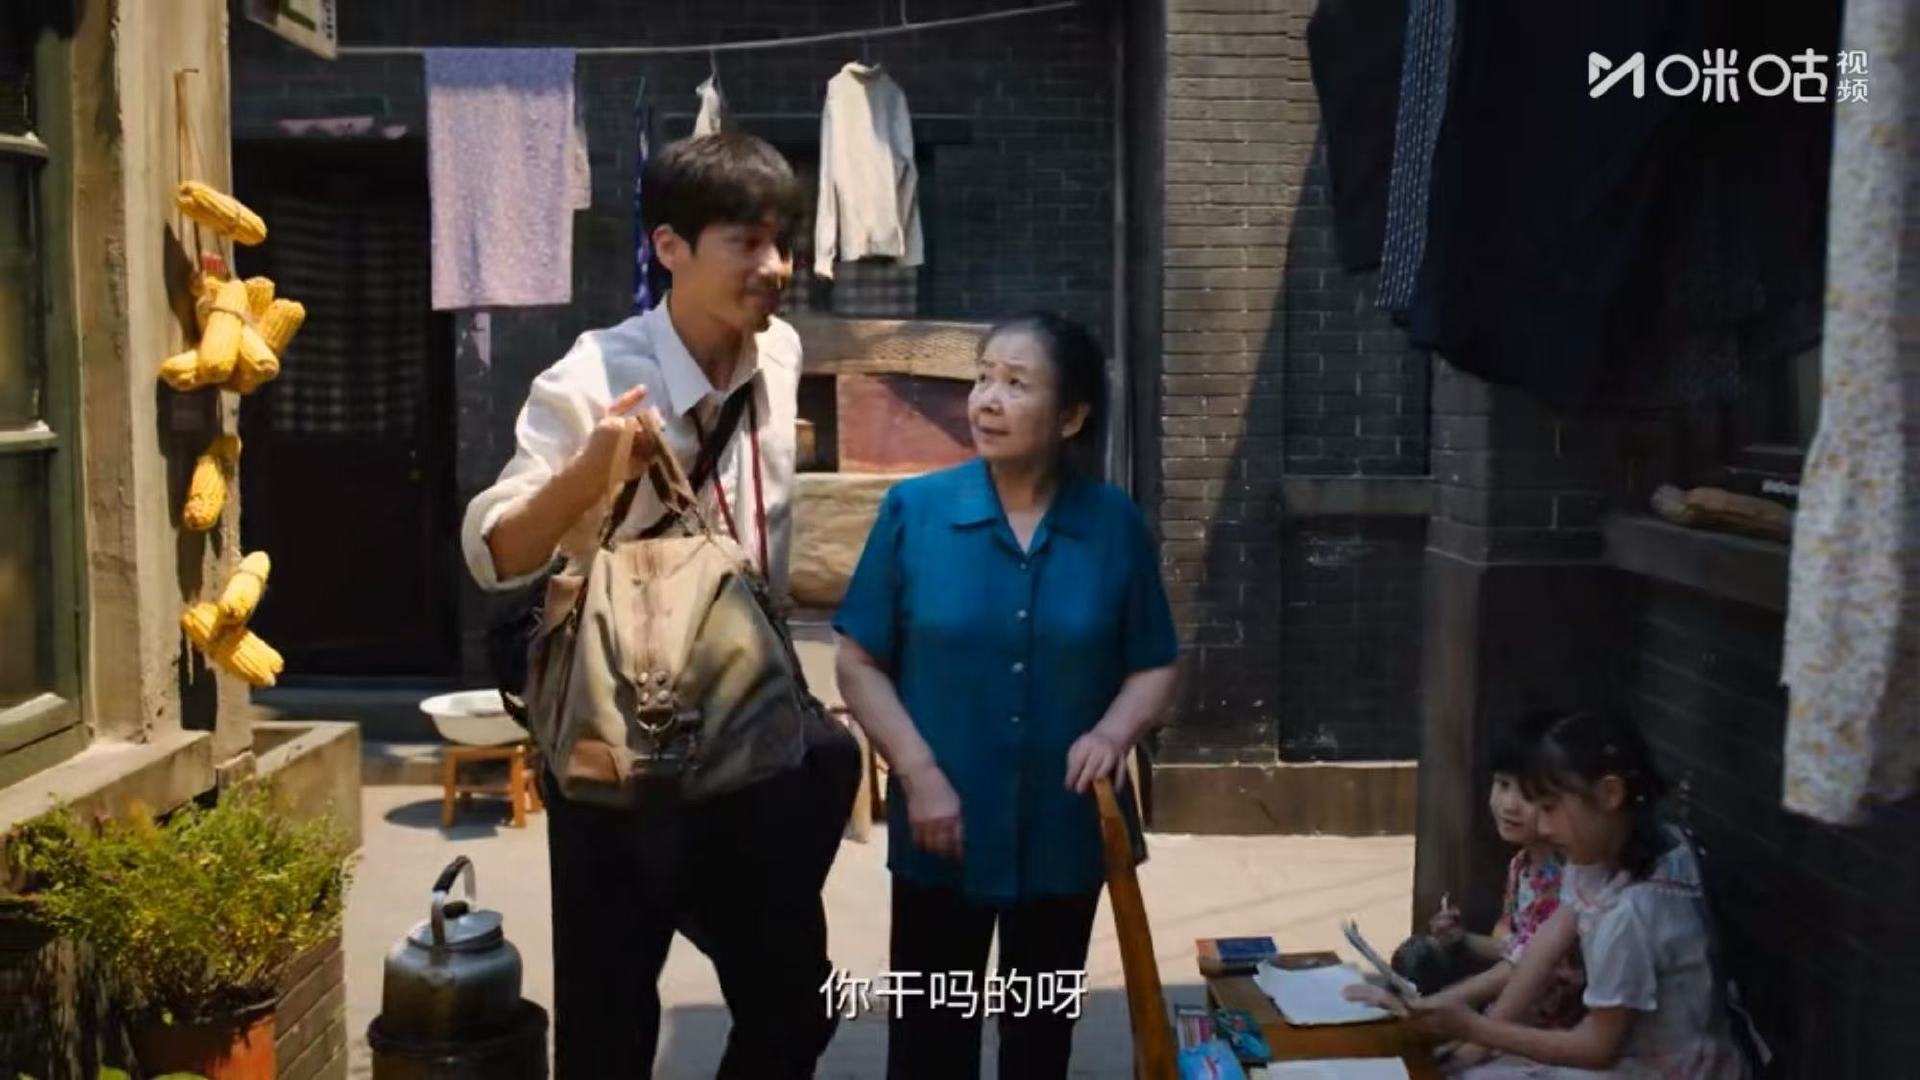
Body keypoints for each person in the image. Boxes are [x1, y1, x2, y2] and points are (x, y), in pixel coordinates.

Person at [460, 132, 853, 1079]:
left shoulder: (780, 351)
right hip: (617, 750)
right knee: (607, 1030)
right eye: (745, 243)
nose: (774, 267)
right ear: (669, 247)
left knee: (793, 1007)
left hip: (749, 729)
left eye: (783, 242)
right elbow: (496, 554)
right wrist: (590, 470)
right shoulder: (592, 375)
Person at [833, 311, 1181, 1080]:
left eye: (1017, 384)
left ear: (1072, 416)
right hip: (941, 831)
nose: (987, 399)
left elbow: (1155, 663)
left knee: (1040, 1046)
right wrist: (918, 773)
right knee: (929, 1046)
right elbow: (857, 661)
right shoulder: (916, 513)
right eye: (984, 377)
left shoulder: (1113, 525)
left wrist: (1113, 733)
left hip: (1064, 831)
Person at [1409, 710, 1750, 1079]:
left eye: (1550, 808)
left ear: (1609, 794)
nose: (1541, 826)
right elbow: (1543, 947)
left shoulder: (1629, 914)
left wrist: (1479, 1031)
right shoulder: (1623, 851)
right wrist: (1474, 1040)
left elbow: (1598, 1049)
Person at [1352, 713, 1583, 1065]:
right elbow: (1514, 946)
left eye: (1530, 794)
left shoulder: (1563, 878)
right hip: (1505, 1022)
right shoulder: (1522, 866)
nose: (1509, 804)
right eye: (1503, 785)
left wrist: (1441, 1010)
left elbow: (1520, 967)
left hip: (1545, 1038)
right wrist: (1462, 940)